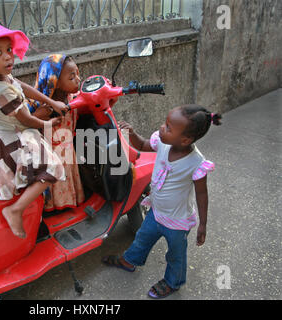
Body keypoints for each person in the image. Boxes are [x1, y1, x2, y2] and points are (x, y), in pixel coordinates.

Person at [102, 105, 222, 299]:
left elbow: (202, 194)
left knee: (176, 255)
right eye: (165, 123)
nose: (161, 128)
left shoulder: (197, 163)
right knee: (142, 238)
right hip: (156, 212)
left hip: (177, 222)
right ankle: (130, 261)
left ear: (185, 140)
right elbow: (141, 145)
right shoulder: (164, 144)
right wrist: (132, 133)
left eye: (168, 127)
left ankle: (173, 282)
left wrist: (203, 224)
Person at [0, 20, 69, 239]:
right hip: (15, 138)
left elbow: (22, 87)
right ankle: (15, 210)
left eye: (8, 50)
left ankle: (37, 215)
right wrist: (48, 124)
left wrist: (52, 104)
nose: (7, 56)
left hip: (8, 131)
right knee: (52, 169)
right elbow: (27, 119)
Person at [28, 54, 85, 211]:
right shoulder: (40, 104)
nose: (78, 80)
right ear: (55, 82)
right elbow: (23, 123)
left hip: (67, 151)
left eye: (78, 74)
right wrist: (37, 116)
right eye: (72, 77)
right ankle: (54, 209)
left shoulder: (72, 98)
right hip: (51, 154)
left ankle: (67, 206)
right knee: (56, 181)